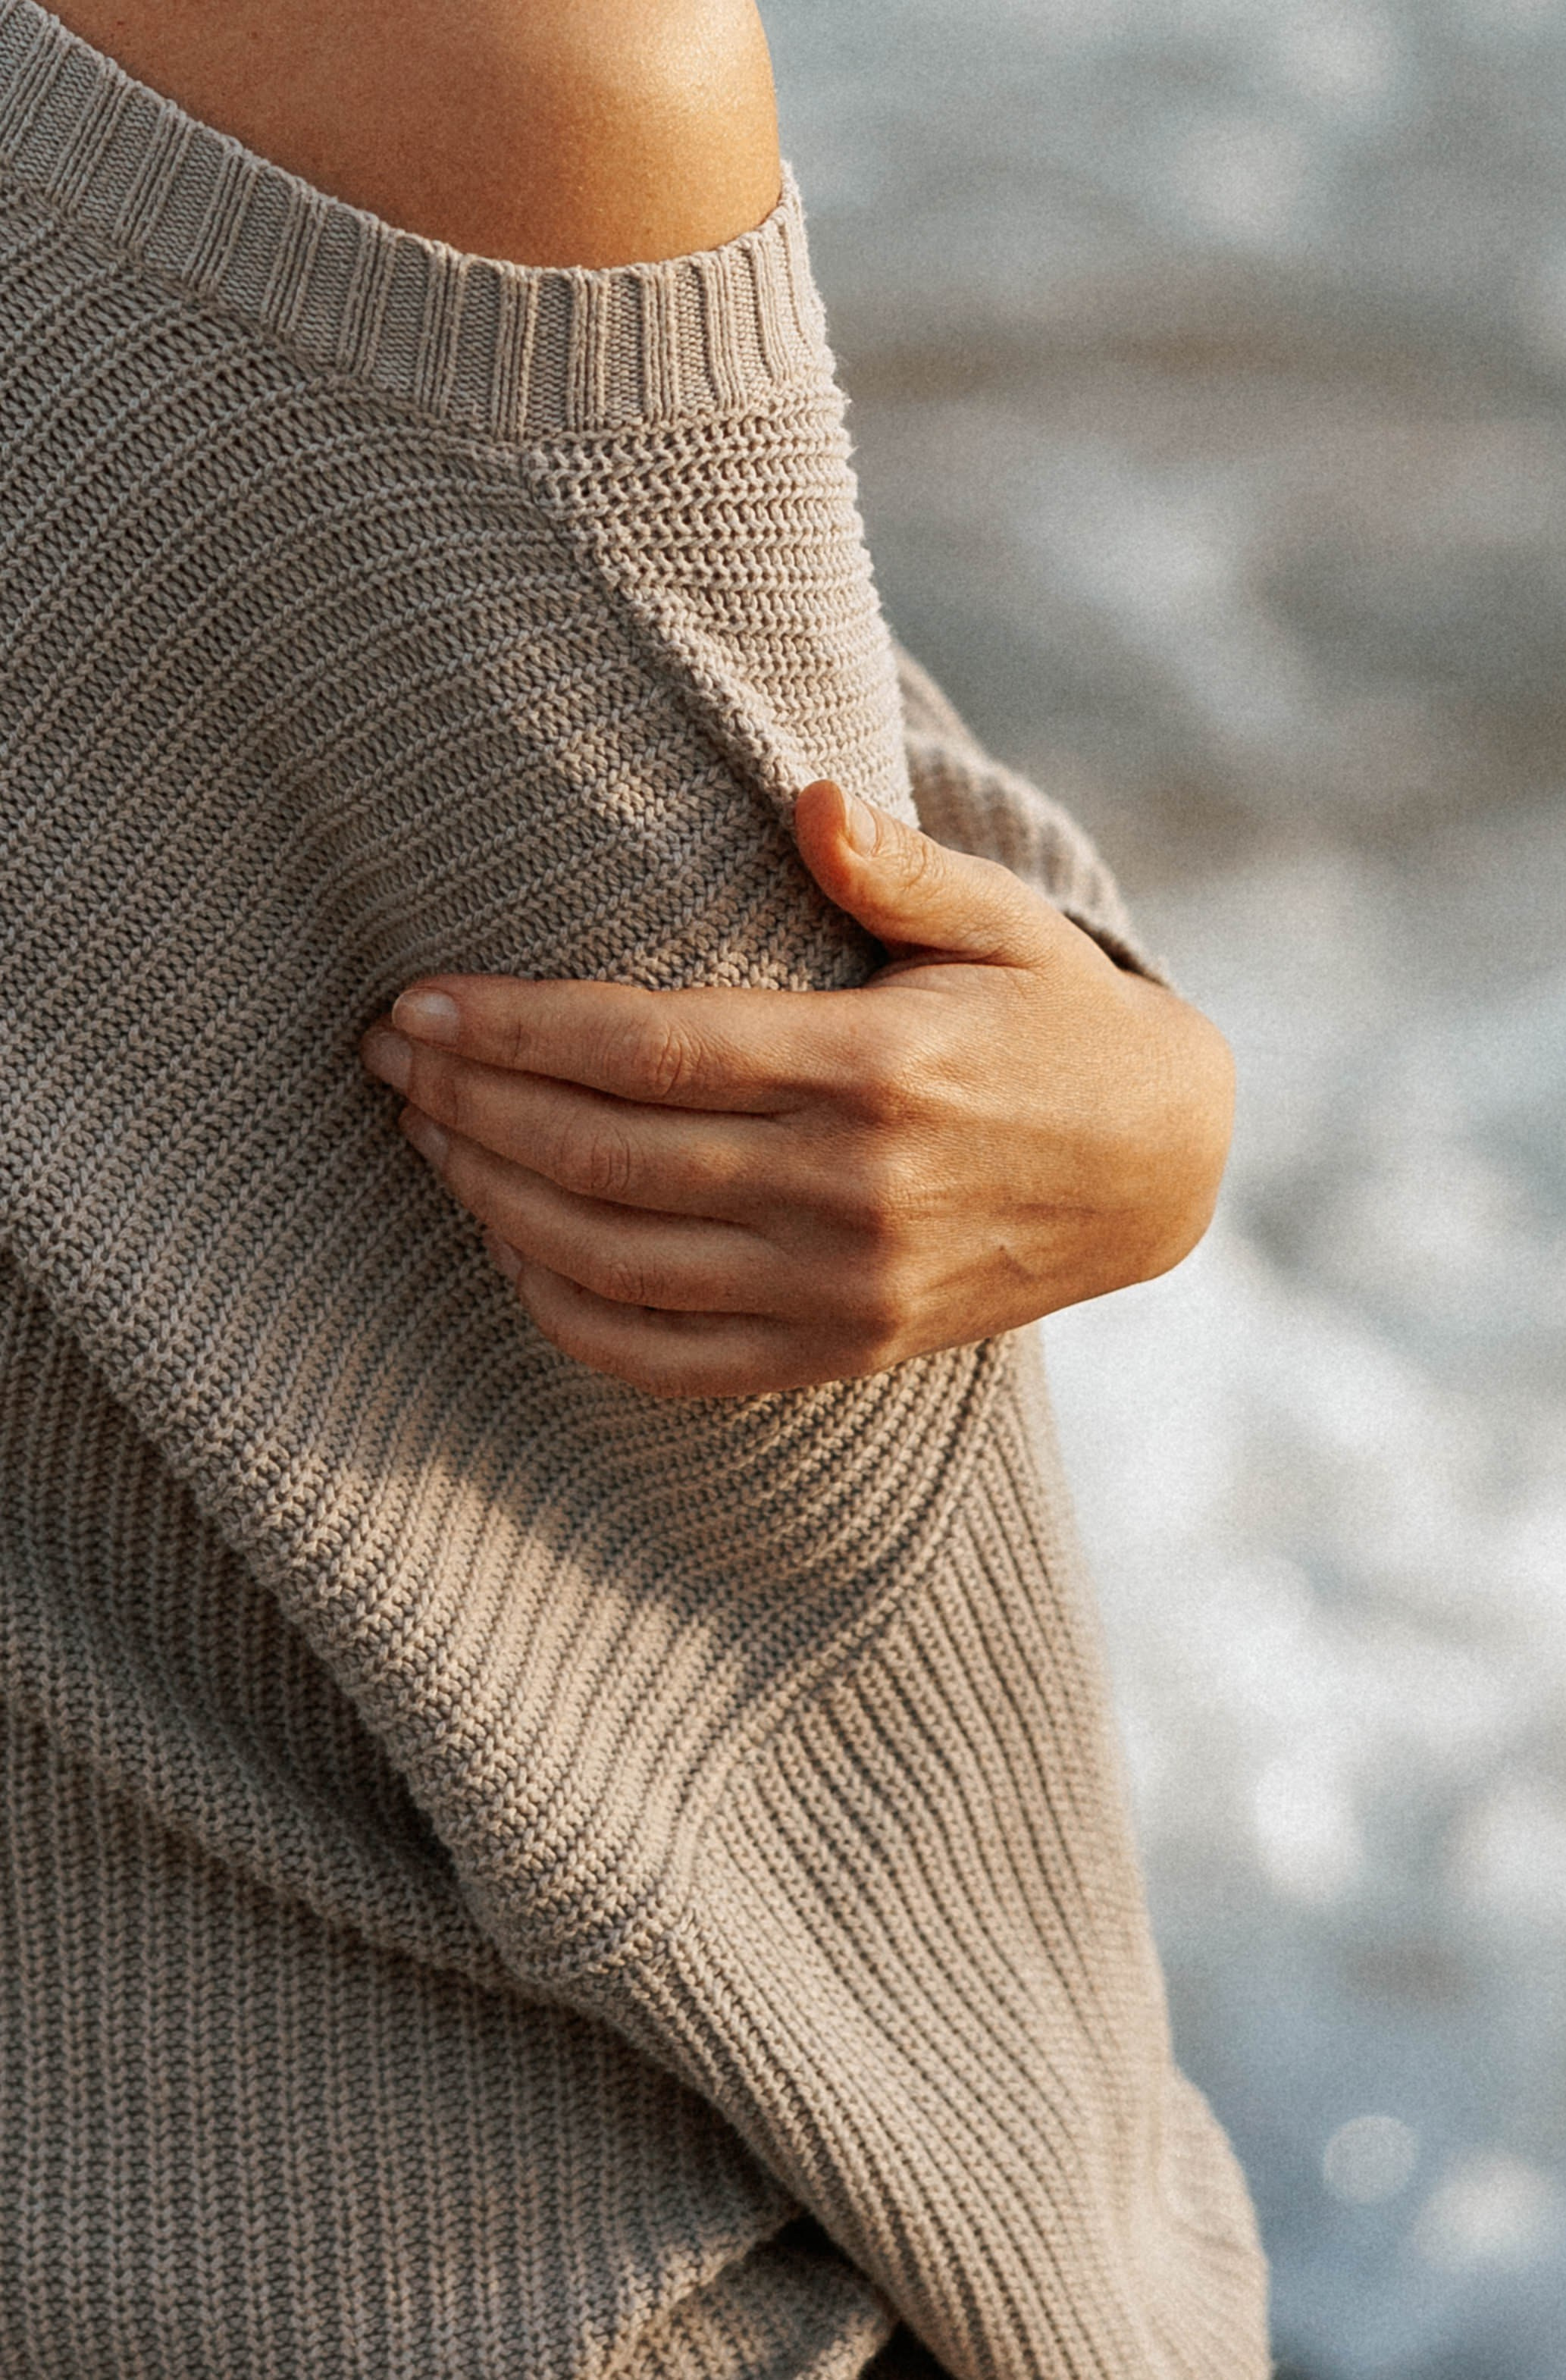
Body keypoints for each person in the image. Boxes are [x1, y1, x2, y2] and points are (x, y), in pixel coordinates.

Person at [0, 1, 1269, 2373]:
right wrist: (1136, 1095)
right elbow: (783, 1558)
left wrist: (1100, 1011)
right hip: (518, 2257)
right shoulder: (475, 67)